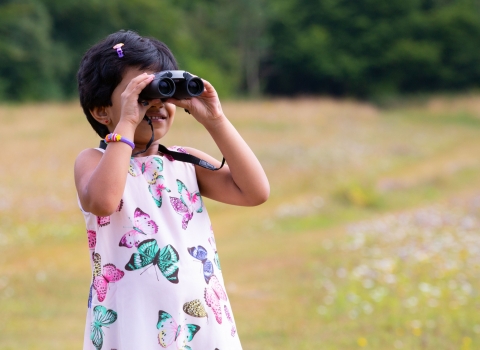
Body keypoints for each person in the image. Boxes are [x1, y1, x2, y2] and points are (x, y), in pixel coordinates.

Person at [74, 30, 269, 350]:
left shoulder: (185, 162)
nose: (156, 104)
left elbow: (255, 192)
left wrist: (215, 120)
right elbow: (104, 201)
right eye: (140, 93)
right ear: (101, 110)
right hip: (132, 321)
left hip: (199, 320)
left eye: (163, 89)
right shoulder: (93, 161)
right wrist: (125, 123)